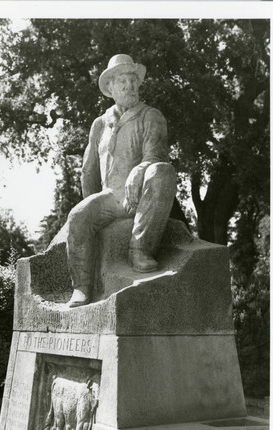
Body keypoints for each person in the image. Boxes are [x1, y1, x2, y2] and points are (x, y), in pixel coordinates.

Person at [66, 54, 177, 307]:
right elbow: (89, 171)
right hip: (111, 197)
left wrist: (139, 170)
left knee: (162, 171)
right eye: (122, 81)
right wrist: (91, 207)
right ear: (111, 88)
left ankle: (140, 249)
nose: (129, 86)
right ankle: (82, 288)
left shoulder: (151, 116)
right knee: (78, 216)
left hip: (142, 194)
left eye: (132, 80)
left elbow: (156, 156)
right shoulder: (99, 124)